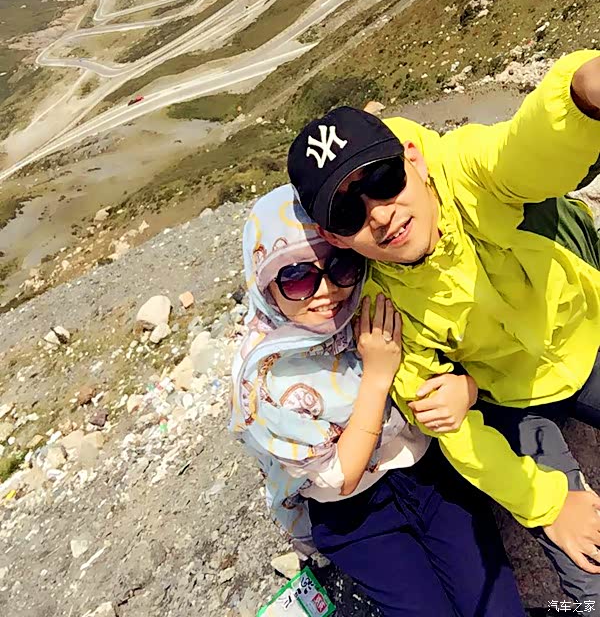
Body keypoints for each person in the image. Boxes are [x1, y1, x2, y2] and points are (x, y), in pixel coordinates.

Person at [287, 49, 600, 605]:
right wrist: (550, 506)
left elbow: (524, 151)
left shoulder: (465, 171)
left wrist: (578, 96)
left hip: (586, 334)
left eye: (382, 178)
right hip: (512, 399)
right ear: (334, 237)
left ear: (413, 158)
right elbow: (451, 428)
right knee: (590, 574)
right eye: (349, 213)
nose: (379, 214)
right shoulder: (379, 303)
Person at [230, 185, 526, 617]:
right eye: (297, 277)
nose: (327, 291)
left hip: (429, 475)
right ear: (263, 284)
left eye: (341, 265)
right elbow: (341, 477)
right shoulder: (264, 378)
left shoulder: (376, 297)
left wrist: (469, 387)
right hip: (355, 518)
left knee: (497, 608)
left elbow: (459, 349)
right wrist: (378, 374)